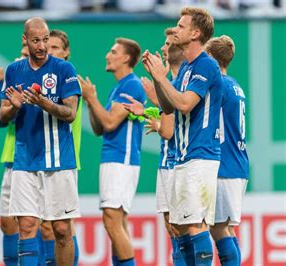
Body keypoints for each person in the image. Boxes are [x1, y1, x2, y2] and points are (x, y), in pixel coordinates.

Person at [142, 7, 223, 265]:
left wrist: (160, 78)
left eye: (180, 25)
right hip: (183, 156)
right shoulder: (187, 67)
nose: (175, 29)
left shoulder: (206, 65)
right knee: (179, 225)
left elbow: (186, 104)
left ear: (195, 33)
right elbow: (168, 106)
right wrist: (158, 79)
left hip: (201, 156)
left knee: (196, 226)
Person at [0, 17, 81, 266]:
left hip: (59, 159)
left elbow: (71, 113)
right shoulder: (13, 70)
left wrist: (44, 102)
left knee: (61, 229)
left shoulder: (65, 70)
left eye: (45, 40)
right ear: (25, 40)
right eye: (36, 40)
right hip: (25, 159)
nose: (42, 46)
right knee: (26, 226)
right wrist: (13, 108)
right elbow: (3, 115)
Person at [78, 38, 146, 266]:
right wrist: (90, 104)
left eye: (113, 51)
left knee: (112, 220)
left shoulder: (131, 85)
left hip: (121, 159)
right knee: (117, 221)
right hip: (113, 158)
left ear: (126, 58)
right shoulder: (119, 87)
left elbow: (109, 123)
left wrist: (92, 98)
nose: (108, 55)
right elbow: (99, 128)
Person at [123, 30, 186, 265]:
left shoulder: (180, 82)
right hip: (167, 160)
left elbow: (169, 129)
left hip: (179, 162)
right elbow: (171, 119)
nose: (163, 47)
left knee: (183, 229)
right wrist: (148, 110)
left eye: (169, 43)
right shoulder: (172, 82)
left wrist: (156, 112)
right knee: (173, 227)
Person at [39, 29, 81, 266]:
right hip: (41, 158)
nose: (49, 51)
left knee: (62, 226)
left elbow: (70, 115)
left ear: (66, 53)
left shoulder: (67, 80)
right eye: (48, 46)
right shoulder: (41, 77)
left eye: (56, 47)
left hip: (64, 157)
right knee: (45, 226)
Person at [206, 35, 249, 265]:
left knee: (219, 228)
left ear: (211, 57)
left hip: (224, 163)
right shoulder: (236, 85)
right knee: (226, 228)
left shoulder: (217, 85)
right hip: (238, 161)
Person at [0, 42, 28, 266]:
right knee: (7, 223)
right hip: (12, 159)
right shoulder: (15, 80)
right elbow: (2, 120)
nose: (18, 59)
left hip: (30, 159)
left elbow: (16, 114)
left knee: (33, 225)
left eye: (24, 55)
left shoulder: (35, 82)